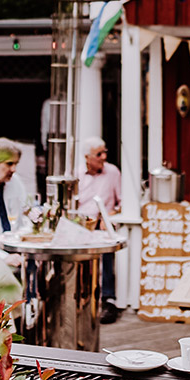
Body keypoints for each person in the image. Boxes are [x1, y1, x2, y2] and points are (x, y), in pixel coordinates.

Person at [76, 136, 122, 323]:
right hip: (81, 223)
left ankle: (108, 300)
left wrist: (111, 214)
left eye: (105, 152)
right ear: (87, 157)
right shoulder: (76, 173)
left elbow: (123, 201)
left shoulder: (113, 172)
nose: (103, 157)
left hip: (104, 222)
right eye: (98, 154)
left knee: (106, 247)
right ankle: (82, 297)